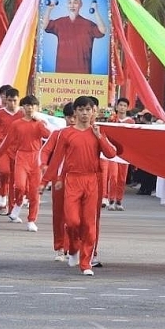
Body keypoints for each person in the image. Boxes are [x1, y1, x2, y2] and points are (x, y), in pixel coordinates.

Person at [42, 96, 117, 276]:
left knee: (89, 224)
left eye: (88, 110)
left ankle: (86, 263)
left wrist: (100, 137)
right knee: (73, 221)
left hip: (91, 180)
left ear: (93, 112)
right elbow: (57, 158)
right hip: (72, 180)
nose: (84, 113)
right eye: (81, 110)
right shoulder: (66, 134)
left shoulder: (97, 132)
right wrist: (45, 181)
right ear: (75, 112)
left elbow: (111, 153)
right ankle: (74, 247)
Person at [0, 95, 51, 231]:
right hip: (22, 157)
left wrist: (41, 122)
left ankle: (31, 220)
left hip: (36, 159)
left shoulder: (39, 124)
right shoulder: (16, 124)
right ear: (23, 108)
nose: (30, 108)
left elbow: (48, 135)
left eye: (32, 106)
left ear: (36, 108)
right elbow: (6, 143)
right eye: (27, 106)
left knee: (35, 192)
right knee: (19, 186)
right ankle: (18, 203)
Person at [41, 102, 74, 261]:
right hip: (60, 179)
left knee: (75, 216)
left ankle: (73, 247)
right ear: (66, 118)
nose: (74, 120)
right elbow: (45, 150)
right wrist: (43, 165)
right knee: (60, 214)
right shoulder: (58, 134)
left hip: (79, 179)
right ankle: (60, 247)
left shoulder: (89, 133)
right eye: (71, 117)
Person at [41, 0, 107, 74]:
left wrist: (96, 11)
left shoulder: (88, 24)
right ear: (67, 5)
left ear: (80, 4)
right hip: (62, 72)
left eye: (75, 2)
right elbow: (43, 26)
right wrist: (48, 9)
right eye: (69, 2)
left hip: (82, 73)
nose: (72, 5)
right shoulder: (60, 22)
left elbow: (103, 30)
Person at [104, 97, 135, 211]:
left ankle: (119, 200)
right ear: (117, 107)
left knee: (122, 178)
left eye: (124, 106)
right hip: (112, 152)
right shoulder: (112, 119)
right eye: (120, 105)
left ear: (127, 108)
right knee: (113, 176)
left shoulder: (131, 122)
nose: (122, 107)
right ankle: (111, 200)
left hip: (124, 154)